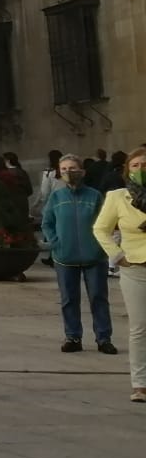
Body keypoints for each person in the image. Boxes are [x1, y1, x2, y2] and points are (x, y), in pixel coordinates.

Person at [42, 155, 115, 355]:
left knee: (99, 297)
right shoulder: (56, 197)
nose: (68, 172)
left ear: (82, 171)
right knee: (69, 299)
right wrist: (55, 242)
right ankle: (73, 336)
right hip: (64, 257)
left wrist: (102, 245)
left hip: (95, 257)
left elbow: (106, 222)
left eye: (72, 168)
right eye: (64, 169)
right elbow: (46, 222)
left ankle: (104, 338)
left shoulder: (95, 196)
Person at [93, 149, 146, 404]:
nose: (140, 169)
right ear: (127, 170)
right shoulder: (118, 197)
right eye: (134, 165)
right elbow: (101, 229)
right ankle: (140, 384)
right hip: (135, 268)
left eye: (144, 164)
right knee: (140, 328)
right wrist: (117, 255)